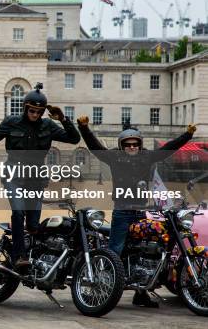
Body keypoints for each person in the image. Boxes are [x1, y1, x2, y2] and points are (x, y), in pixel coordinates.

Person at [0, 83, 80, 268]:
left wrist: (63, 119)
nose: (35, 115)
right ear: (25, 108)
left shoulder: (48, 125)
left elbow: (74, 138)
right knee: (18, 213)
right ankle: (19, 256)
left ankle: (35, 255)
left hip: (36, 178)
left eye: (39, 112)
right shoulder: (11, 122)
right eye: (32, 111)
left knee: (34, 225)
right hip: (14, 176)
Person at [76, 115, 195, 307]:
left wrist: (187, 135)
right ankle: (102, 290)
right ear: (122, 146)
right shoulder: (115, 157)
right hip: (122, 212)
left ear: (140, 144)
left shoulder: (147, 157)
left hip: (140, 212)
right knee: (115, 251)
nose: (132, 147)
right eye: (128, 144)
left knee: (141, 254)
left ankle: (141, 294)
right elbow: (95, 148)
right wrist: (84, 128)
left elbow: (167, 149)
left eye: (135, 144)